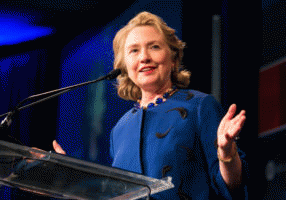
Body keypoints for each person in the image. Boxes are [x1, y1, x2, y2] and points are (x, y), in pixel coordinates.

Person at [54, 11, 248, 199]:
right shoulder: (119, 130)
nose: (144, 57)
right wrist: (71, 178)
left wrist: (226, 152)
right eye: (134, 50)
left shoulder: (199, 107)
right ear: (124, 66)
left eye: (154, 47)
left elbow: (233, 187)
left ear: (173, 59)